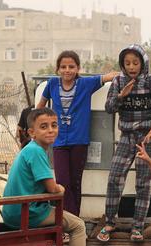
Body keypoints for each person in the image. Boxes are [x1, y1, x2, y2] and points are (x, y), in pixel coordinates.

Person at [2, 108, 110, 246]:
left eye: (54, 125)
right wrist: (60, 189)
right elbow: (53, 188)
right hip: (29, 212)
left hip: (15, 211)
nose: (50, 130)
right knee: (78, 225)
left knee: (63, 219)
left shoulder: (29, 150)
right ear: (32, 132)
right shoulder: (36, 152)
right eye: (44, 127)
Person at [96, 44, 151, 242]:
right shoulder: (118, 81)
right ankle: (110, 222)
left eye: (135, 63)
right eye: (127, 63)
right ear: (122, 64)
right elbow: (109, 108)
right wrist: (122, 96)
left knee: (143, 182)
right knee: (114, 177)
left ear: (143, 63)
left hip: (146, 138)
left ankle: (138, 227)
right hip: (126, 136)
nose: (131, 67)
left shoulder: (150, 81)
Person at [36, 50, 118, 216]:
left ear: (78, 68)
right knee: (62, 181)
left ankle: (73, 220)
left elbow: (108, 76)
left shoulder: (86, 84)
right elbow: (40, 108)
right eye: (63, 67)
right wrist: (35, 127)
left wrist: (126, 75)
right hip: (58, 141)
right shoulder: (52, 84)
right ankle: (71, 221)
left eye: (71, 66)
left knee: (75, 182)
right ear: (58, 69)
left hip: (79, 140)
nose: (67, 70)